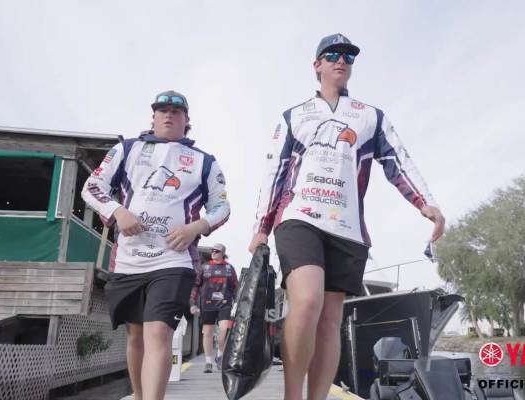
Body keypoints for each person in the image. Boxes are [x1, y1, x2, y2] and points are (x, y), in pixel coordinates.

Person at [248, 34, 445, 400]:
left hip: (347, 226)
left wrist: (425, 203)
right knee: (307, 303)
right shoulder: (294, 116)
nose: (341, 60)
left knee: (330, 321)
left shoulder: (370, 116)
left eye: (349, 57)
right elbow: (273, 171)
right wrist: (262, 226)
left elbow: (398, 161)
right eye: (333, 55)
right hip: (299, 217)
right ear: (317, 65)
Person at [81, 90, 230, 400]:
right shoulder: (127, 149)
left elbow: (222, 207)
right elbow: (92, 186)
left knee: (158, 331)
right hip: (128, 260)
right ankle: (139, 395)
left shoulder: (205, 161)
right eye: (162, 110)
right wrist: (118, 211)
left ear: (187, 120)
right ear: (153, 116)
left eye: (176, 111)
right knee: (136, 336)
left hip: (173, 261)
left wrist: (196, 227)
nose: (168, 115)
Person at [189, 243, 238, 373]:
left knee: (224, 330)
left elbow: (235, 286)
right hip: (207, 304)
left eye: (217, 251)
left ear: (223, 253)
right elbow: (196, 286)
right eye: (212, 250)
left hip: (225, 303)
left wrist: (237, 303)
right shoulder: (204, 267)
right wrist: (193, 304)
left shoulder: (229, 268)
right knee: (208, 333)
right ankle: (208, 362)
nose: (214, 252)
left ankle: (220, 356)